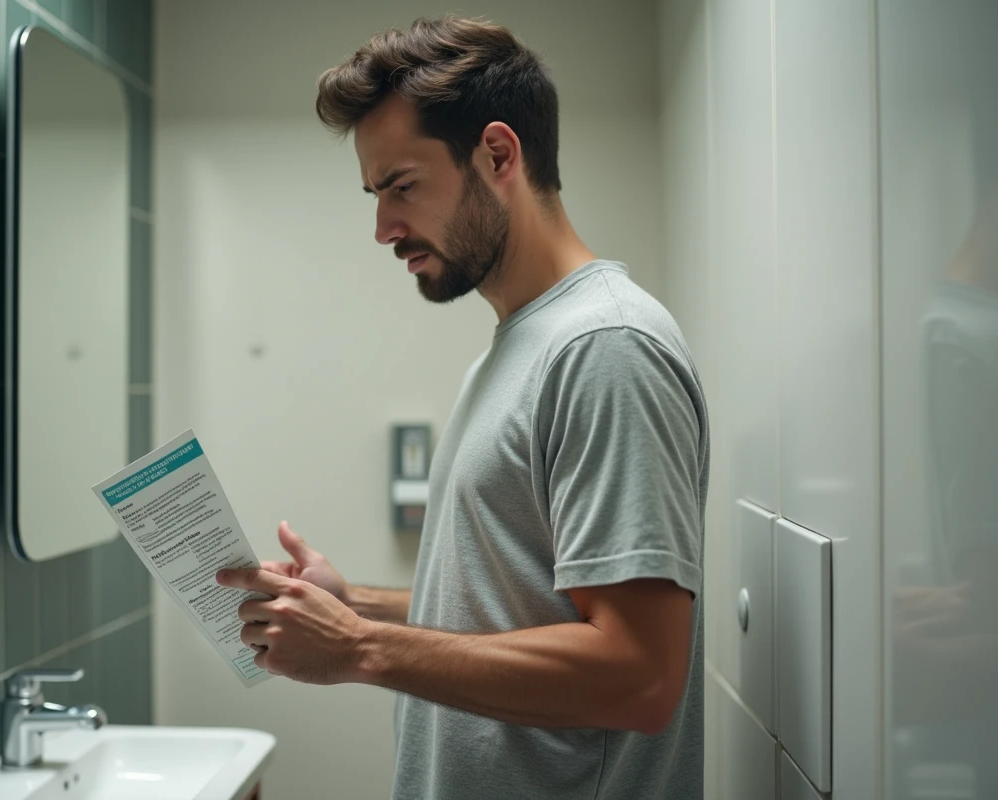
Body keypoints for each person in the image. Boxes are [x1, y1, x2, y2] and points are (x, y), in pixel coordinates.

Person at [215, 14, 708, 799]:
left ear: (499, 154)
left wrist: (360, 648)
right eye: (375, 194)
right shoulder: (517, 348)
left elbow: (640, 677)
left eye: (402, 187)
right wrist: (356, 606)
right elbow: (518, 605)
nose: (382, 228)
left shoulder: (605, 347)